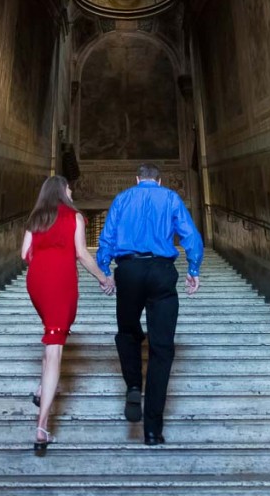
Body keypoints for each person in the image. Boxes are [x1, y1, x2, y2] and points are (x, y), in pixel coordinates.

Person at [96, 162, 203, 446]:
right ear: (158, 180)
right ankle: (153, 430)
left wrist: (104, 270)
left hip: (129, 271)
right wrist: (193, 270)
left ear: (137, 179)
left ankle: (133, 383)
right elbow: (191, 236)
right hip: (161, 272)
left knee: (127, 332)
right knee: (162, 348)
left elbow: (106, 238)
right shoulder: (170, 197)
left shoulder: (122, 198)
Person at [22, 175, 114, 452]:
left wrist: (45, 254)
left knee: (51, 336)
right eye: (69, 188)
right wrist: (103, 277)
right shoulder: (74, 216)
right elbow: (82, 254)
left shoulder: (36, 217)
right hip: (60, 281)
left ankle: (41, 390)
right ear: (62, 191)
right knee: (55, 349)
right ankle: (41, 426)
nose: (72, 191)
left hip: (36, 280)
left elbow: (24, 253)